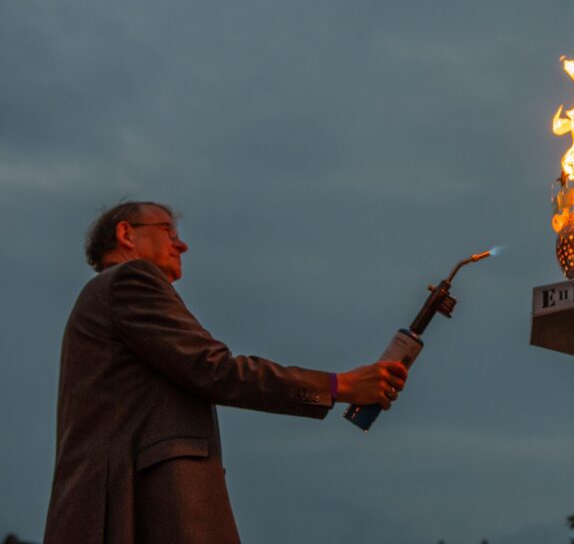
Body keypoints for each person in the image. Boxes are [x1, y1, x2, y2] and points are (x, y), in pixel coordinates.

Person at [43, 201, 408, 544]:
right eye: (169, 232)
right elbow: (213, 368)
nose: (181, 244)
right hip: (142, 506)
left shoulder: (101, 297)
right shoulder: (131, 279)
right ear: (126, 234)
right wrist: (338, 384)